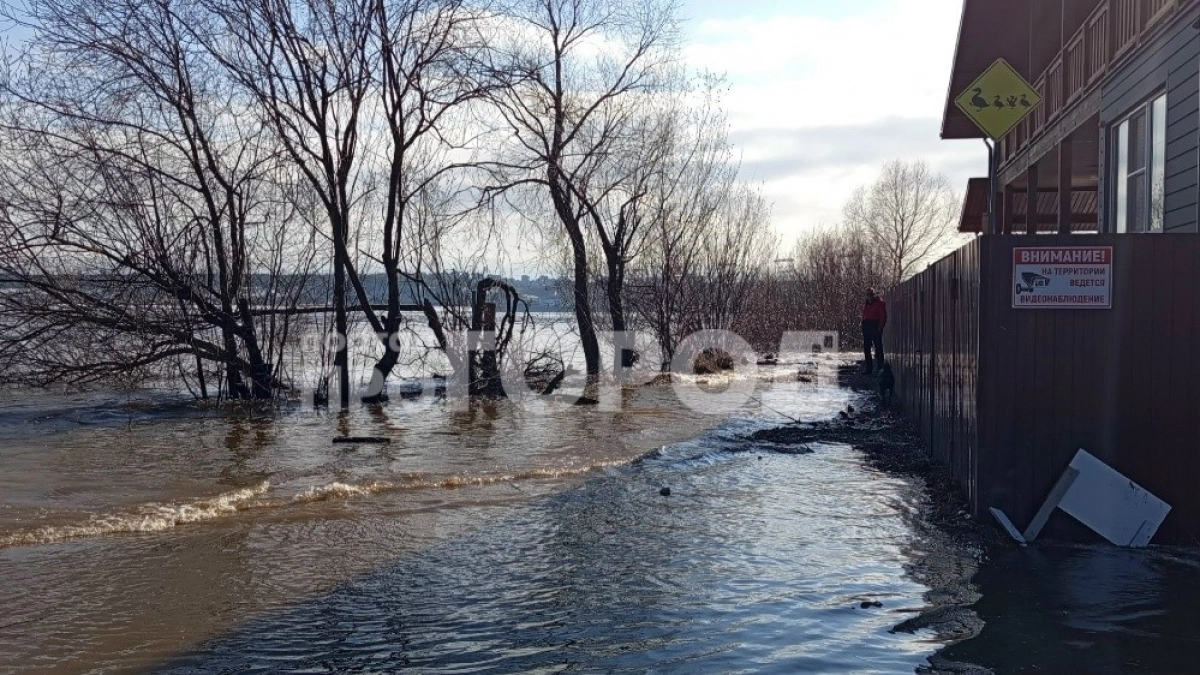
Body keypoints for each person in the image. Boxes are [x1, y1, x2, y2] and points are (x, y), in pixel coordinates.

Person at [861, 288, 887, 374]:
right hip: (867, 326)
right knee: (866, 348)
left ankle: (880, 368)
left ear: (874, 294)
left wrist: (880, 328)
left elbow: (883, 316)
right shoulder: (867, 303)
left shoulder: (879, 303)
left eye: (871, 294)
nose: (869, 296)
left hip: (875, 326)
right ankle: (869, 369)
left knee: (878, 347)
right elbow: (865, 314)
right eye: (868, 294)